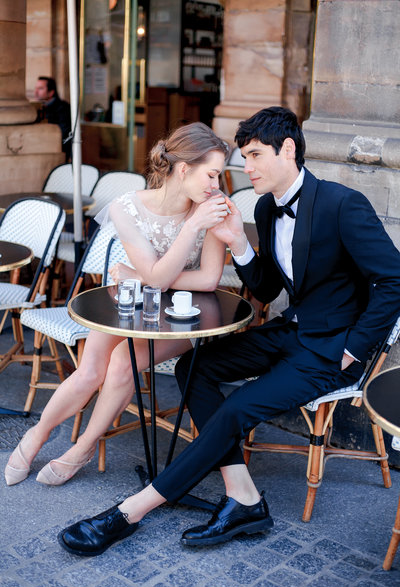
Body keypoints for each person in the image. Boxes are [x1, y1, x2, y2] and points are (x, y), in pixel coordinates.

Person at [57, 106, 400, 557]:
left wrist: (355, 349)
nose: (246, 167)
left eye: (255, 155)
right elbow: (267, 287)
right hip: (290, 332)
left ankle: (129, 512)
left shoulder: (341, 203)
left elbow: (393, 279)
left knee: (236, 409)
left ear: (289, 149)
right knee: (195, 367)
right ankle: (244, 497)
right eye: (244, 156)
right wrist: (239, 243)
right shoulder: (265, 208)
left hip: (331, 352)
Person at [5, 121, 229, 487]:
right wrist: (148, 277)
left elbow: (206, 280)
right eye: (213, 174)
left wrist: (143, 274)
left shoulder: (211, 210)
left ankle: (82, 447)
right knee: (90, 370)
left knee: (123, 362)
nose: (216, 186)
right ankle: (37, 435)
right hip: (132, 306)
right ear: (185, 168)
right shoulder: (128, 207)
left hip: (186, 317)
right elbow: (156, 278)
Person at [34, 76, 72, 161]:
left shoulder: (62, 108)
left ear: (51, 92)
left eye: (40, 89)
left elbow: (65, 133)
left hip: (58, 152)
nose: (36, 92)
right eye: (36, 88)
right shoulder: (41, 107)